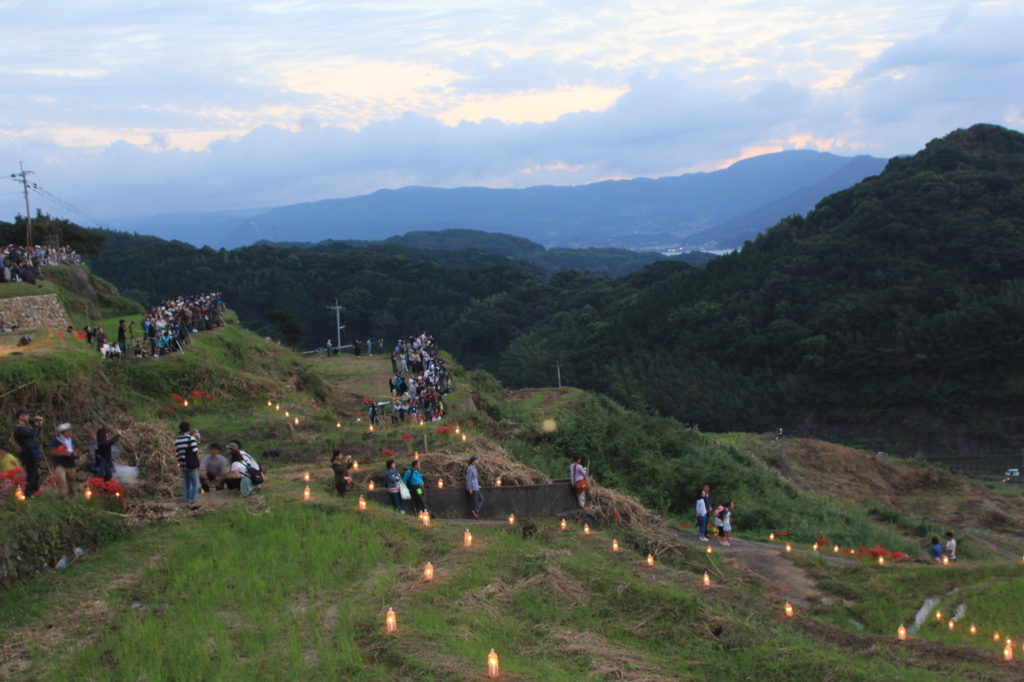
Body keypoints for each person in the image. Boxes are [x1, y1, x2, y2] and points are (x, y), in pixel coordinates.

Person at [13, 409, 44, 496]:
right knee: (31, 474)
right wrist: (35, 425)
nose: (27, 416)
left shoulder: (26, 427)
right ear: (20, 417)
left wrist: (39, 425)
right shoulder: (19, 428)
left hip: (32, 452)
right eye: (25, 414)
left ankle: (35, 492)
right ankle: (29, 494)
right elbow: (32, 435)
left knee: (35, 474)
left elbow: (34, 435)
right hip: (27, 453)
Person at [174, 421, 201, 510]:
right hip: (191, 464)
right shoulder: (191, 438)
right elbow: (195, 451)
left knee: (186, 483)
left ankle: (187, 499)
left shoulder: (177, 440)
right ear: (188, 429)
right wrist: (200, 451)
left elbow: (177, 454)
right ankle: (192, 502)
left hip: (182, 464)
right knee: (195, 483)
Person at [48, 422, 78, 498]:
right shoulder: (56, 441)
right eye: (69, 431)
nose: (70, 432)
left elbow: (75, 448)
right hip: (59, 463)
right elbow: (52, 452)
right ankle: (62, 496)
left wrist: (74, 453)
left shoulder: (72, 440)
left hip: (70, 463)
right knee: (62, 480)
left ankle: (72, 496)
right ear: (64, 432)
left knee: (72, 480)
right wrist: (64, 453)